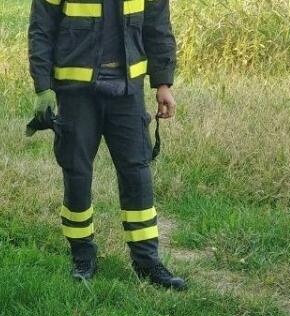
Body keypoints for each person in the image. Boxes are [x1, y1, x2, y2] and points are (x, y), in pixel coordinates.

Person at [28, 0, 188, 290]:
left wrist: (163, 83)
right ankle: (82, 255)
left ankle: (146, 261)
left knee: (136, 172)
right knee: (77, 173)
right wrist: (43, 85)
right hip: (76, 92)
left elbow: (158, 25)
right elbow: (42, 25)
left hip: (127, 90)